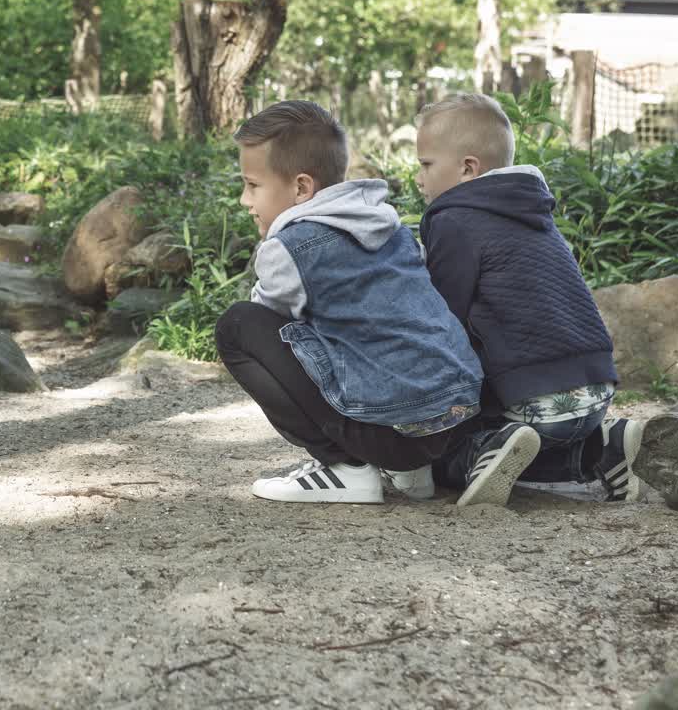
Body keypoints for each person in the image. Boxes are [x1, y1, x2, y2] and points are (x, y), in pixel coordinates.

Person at [215, 100, 540, 506]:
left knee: (239, 325)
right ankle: (410, 471)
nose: (245, 200)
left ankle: (345, 468)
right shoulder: (389, 226)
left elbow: (274, 331)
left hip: (392, 433)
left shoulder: (289, 248)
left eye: (253, 185)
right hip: (456, 414)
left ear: (301, 188)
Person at [414, 92, 677, 502]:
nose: (419, 178)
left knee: (442, 456)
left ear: (468, 168)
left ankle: (479, 452)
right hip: (596, 392)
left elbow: (443, 321)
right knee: (527, 447)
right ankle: (601, 449)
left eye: (425, 165)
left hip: (532, 403)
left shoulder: (453, 220)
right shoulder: (531, 210)